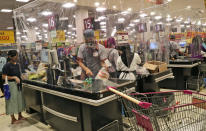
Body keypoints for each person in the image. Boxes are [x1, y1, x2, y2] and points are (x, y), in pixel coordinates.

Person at [2, 50, 26, 124]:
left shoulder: (17, 64)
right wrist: (14, 77)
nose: (17, 57)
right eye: (16, 55)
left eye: (17, 55)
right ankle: (13, 118)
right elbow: (3, 76)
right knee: (11, 101)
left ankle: (20, 115)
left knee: (19, 100)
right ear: (10, 57)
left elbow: (19, 73)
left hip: (18, 85)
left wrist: (22, 76)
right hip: (11, 86)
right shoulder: (7, 65)